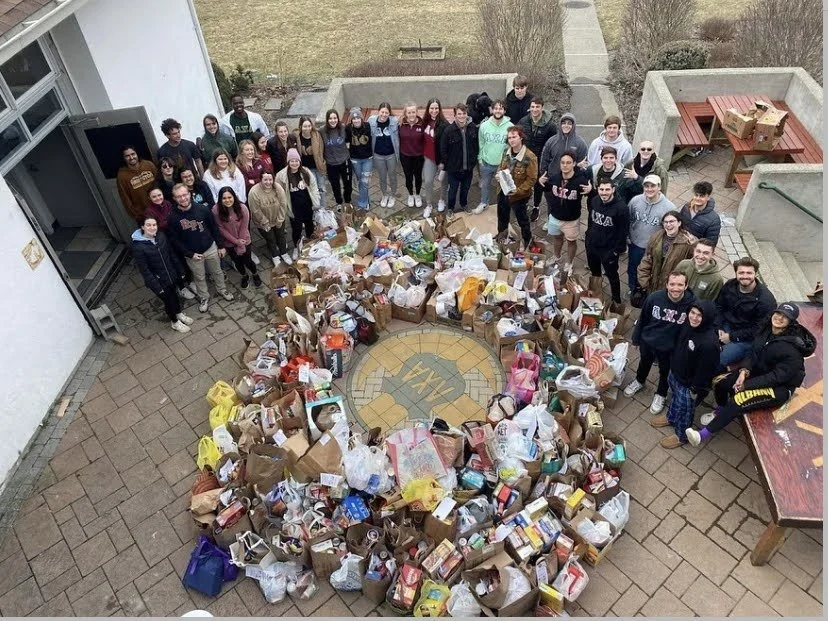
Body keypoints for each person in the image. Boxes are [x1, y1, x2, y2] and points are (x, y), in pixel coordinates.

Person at [686, 302, 816, 446]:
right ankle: (721, 411)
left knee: (740, 399)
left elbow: (777, 377)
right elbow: (753, 352)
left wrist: (747, 385)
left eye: (785, 317)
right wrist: (743, 372)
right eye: (778, 313)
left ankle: (701, 435)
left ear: (791, 322)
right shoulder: (766, 329)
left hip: (779, 387)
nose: (779, 318)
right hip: (758, 372)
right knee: (720, 382)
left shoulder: (793, 350)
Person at [651, 300, 720, 448]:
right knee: (675, 399)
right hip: (675, 374)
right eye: (692, 313)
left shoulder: (709, 343)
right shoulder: (688, 325)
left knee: (686, 412)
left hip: (689, 385)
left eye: (699, 315)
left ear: (706, 317)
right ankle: (671, 417)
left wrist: (695, 389)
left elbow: (706, 371)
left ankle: (682, 436)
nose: (694, 317)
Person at [624, 271, 695, 414]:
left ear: (686, 285)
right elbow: (643, 318)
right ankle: (639, 380)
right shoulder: (655, 298)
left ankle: (661, 394)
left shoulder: (692, 304)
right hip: (649, 341)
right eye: (672, 284)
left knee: (666, 371)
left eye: (680, 284)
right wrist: (636, 339)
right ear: (666, 285)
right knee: (644, 362)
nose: (676, 288)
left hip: (671, 348)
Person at [166, 183, 234, 312]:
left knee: (217, 272)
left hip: (210, 247)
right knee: (199, 277)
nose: (183, 198)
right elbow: (174, 240)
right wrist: (189, 254)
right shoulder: (172, 218)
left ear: (190, 194)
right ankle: (204, 297)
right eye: (179, 196)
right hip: (192, 254)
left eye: (185, 194)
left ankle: (222, 290)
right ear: (174, 199)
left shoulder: (202, 209)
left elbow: (214, 228)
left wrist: (220, 246)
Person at [131, 215, 194, 333]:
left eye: (154, 225)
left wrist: (179, 270)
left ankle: (179, 313)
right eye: (148, 225)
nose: (152, 227)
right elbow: (145, 270)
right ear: (142, 227)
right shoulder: (138, 247)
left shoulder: (161, 236)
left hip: (171, 275)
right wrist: (156, 286)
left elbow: (171, 255)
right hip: (158, 281)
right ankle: (174, 322)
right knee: (169, 301)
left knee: (175, 296)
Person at [715, 257, 777, 368]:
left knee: (719, 359)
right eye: (741, 272)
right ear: (736, 273)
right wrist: (718, 326)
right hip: (726, 325)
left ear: (756, 274)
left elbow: (760, 329)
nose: (745, 276)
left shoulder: (766, 300)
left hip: (746, 338)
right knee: (703, 345)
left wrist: (732, 337)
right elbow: (719, 306)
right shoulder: (730, 285)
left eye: (749, 273)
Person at [539, 151, 592, 271]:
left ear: (574, 164)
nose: (565, 165)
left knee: (571, 242)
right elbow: (546, 187)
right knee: (557, 238)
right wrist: (540, 182)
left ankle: (569, 263)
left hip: (571, 220)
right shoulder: (554, 178)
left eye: (568, 163)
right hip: (555, 217)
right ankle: (556, 256)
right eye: (562, 162)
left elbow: (592, 196)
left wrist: (590, 190)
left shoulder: (580, 181)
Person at [627, 174, 675, 293]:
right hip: (636, 244)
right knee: (633, 268)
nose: (649, 189)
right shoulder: (635, 201)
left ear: (659, 187)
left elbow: (672, 230)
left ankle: (647, 291)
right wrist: (627, 236)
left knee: (652, 271)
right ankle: (633, 289)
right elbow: (629, 218)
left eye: (653, 186)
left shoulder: (669, 207)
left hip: (654, 248)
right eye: (646, 186)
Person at [585, 179, 628, 303]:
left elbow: (623, 231)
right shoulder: (594, 201)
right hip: (592, 245)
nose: (604, 193)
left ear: (613, 190)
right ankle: (596, 293)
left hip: (608, 249)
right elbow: (590, 220)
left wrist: (616, 251)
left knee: (612, 275)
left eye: (607, 189)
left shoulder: (621, 208)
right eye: (601, 189)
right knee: (595, 272)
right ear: (598, 189)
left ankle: (616, 299)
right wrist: (588, 237)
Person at [495, 126, 537, 250]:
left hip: (519, 196)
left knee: (522, 221)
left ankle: (527, 242)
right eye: (509, 138)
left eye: (514, 137)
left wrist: (517, 191)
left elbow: (532, 179)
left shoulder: (530, 157)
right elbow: (501, 167)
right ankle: (502, 238)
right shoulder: (505, 152)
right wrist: (498, 175)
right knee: (502, 217)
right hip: (503, 192)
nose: (511, 140)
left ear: (521, 138)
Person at [517, 97, 558, 222]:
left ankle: (536, 206)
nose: (535, 109)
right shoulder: (523, 121)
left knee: (538, 184)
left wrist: (547, 163)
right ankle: (524, 202)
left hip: (541, 160)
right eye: (533, 107)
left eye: (537, 107)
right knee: (524, 181)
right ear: (530, 107)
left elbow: (552, 144)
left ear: (542, 108)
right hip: (525, 158)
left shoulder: (550, 126)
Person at [637, 210, 696, 295]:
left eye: (672, 221)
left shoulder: (687, 242)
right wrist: (644, 282)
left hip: (672, 289)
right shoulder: (656, 237)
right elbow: (647, 259)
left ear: (679, 223)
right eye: (666, 222)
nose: (668, 225)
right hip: (653, 285)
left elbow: (694, 263)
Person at [212, 186, 260, 289]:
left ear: (234, 197)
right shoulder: (216, 210)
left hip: (244, 239)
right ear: (220, 199)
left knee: (248, 261)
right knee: (238, 262)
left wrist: (241, 243)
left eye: (230, 197)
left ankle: (255, 274)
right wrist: (235, 241)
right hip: (229, 242)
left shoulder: (242, 208)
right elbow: (221, 229)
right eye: (224, 198)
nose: (227, 200)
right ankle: (244, 276)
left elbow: (245, 226)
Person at [276, 148, 320, 258]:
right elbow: (279, 192)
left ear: (299, 161)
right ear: (288, 162)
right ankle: (296, 247)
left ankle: (310, 244)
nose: (294, 163)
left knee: (310, 225)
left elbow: (314, 187)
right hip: (294, 208)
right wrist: (285, 208)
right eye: (292, 161)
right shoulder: (281, 176)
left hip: (307, 205)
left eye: (296, 161)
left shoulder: (305, 172)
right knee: (297, 229)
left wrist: (316, 201)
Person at [440, 103, 479, 216]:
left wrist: (473, 161)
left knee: (465, 189)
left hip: (468, 168)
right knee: (452, 190)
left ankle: (464, 204)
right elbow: (443, 149)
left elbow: (476, 146)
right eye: (459, 114)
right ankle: (450, 208)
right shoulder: (448, 131)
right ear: (455, 115)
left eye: (464, 113)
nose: (462, 116)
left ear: (467, 114)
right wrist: (448, 164)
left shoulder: (473, 128)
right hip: (454, 169)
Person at [475, 99, 512, 214]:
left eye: (500, 108)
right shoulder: (484, 126)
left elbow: (511, 147)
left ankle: (502, 207)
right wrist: (480, 159)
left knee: (502, 188)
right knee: (485, 186)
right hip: (486, 163)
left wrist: (506, 164)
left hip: (502, 165)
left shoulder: (510, 127)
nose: (498, 111)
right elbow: (481, 143)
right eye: (495, 108)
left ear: (504, 110)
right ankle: (483, 203)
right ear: (492, 110)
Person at [248, 171, 290, 264]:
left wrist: (280, 219)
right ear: (260, 180)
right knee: (270, 239)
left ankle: (284, 253)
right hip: (263, 221)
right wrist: (265, 222)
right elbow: (255, 210)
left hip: (277, 218)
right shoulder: (254, 192)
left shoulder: (278, 188)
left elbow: (283, 204)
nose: (268, 182)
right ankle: (274, 256)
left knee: (281, 236)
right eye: (265, 180)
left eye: (270, 179)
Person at [367, 102, 400, 208]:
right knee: (382, 177)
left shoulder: (394, 122)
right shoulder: (371, 120)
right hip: (378, 155)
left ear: (389, 113)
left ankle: (393, 195)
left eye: (386, 112)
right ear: (378, 111)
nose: (384, 115)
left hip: (391, 155)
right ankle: (384, 195)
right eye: (382, 112)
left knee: (392, 176)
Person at [421, 98, 449, 217]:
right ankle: (429, 205)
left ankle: (442, 199)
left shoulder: (444, 125)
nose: (434, 110)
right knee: (428, 182)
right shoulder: (424, 122)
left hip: (441, 159)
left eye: (436, 108)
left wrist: (443, 163)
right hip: (429, 158)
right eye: (431, 108)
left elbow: (447, 146)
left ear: (439, 109)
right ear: (428, 109)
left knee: (443, 181)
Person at [539, 113, 589, 178]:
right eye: (564, 123)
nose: (566, 125)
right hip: (552, 179)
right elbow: (544, 161)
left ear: (573, 126)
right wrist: (544, 176)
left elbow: (583, 164)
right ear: (560, 125)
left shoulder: (580, 143)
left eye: (569, 123)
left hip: (572, 180)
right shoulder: (551, 141)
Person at [321, 109, 352, 210]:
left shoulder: (342, 127)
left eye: (335, 118)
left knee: (347, 184)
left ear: (338, 119)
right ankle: (339, 202)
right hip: (331, 164)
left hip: (344, 160)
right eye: (330, 118)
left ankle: (347, 201)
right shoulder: (322, 131)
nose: (333, 120)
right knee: (335, 185)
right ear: (327, 120)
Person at [117, 145, 158, 222]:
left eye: (133, 154)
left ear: (137, 154)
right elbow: (125, 198)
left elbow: (160, 182)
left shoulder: (148, 165)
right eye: (127, 156)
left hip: (160, 208)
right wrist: (136, 215)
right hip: (143, 215)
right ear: (124, 158)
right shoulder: (122, 176)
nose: (131, 157)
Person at [293, 116, 326, 205]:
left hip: (318, 166)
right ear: (300, 127)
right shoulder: (297, 137)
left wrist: (323, 162)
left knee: (321, 188)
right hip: (306, 168)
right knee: (312, 189)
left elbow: (322, 149)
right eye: (305, 126)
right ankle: (316, 208)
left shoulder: (317, 135)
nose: (307, 128)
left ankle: (323, 208)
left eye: (309, 126)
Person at [398, 103, 425, 209]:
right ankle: (410, 195)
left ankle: (417, 195)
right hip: (405, 155)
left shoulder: (422, 124)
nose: (411, 114)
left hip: (419, 156)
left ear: (416, 112)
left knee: (418, 177)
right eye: (409, 112)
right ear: (406, 113)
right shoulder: (400, 124)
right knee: (408, 177)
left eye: (413, 112)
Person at [346, 108, 373, 211]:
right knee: (360, 182)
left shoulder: (368, 126)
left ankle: (362, 204)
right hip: (355, 159)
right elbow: (346, 143)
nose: (356, 120)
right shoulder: (348, 129)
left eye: (358, 118)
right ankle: (367, 200)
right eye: (354, 118)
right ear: (351, 120)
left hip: (368, 159)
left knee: (365, 181)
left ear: (361, 119)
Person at [679, 181, 721, 245]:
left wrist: (696, 242)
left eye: (702, 196)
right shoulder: (686, 207)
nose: (698, 198)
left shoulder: (714, 220)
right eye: (696, 195)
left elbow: (711, 244)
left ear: (708, 197)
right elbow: (679, 223)